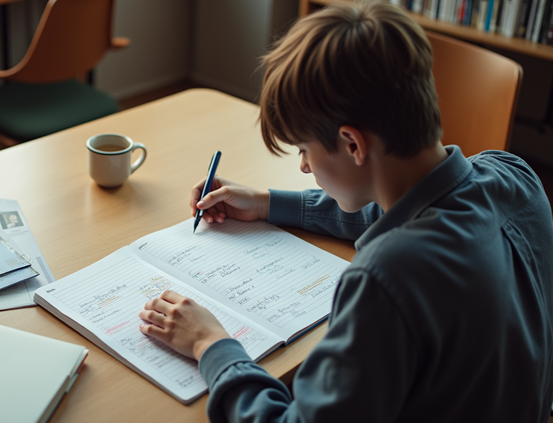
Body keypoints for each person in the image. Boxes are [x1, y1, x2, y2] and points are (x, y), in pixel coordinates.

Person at [137, 2, 553, 422]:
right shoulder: (515, 176)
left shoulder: (384, 281)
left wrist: (211, 345)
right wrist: (268, 203)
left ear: (353, 144)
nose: (303, 167)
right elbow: (405, 210)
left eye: (303, 150)